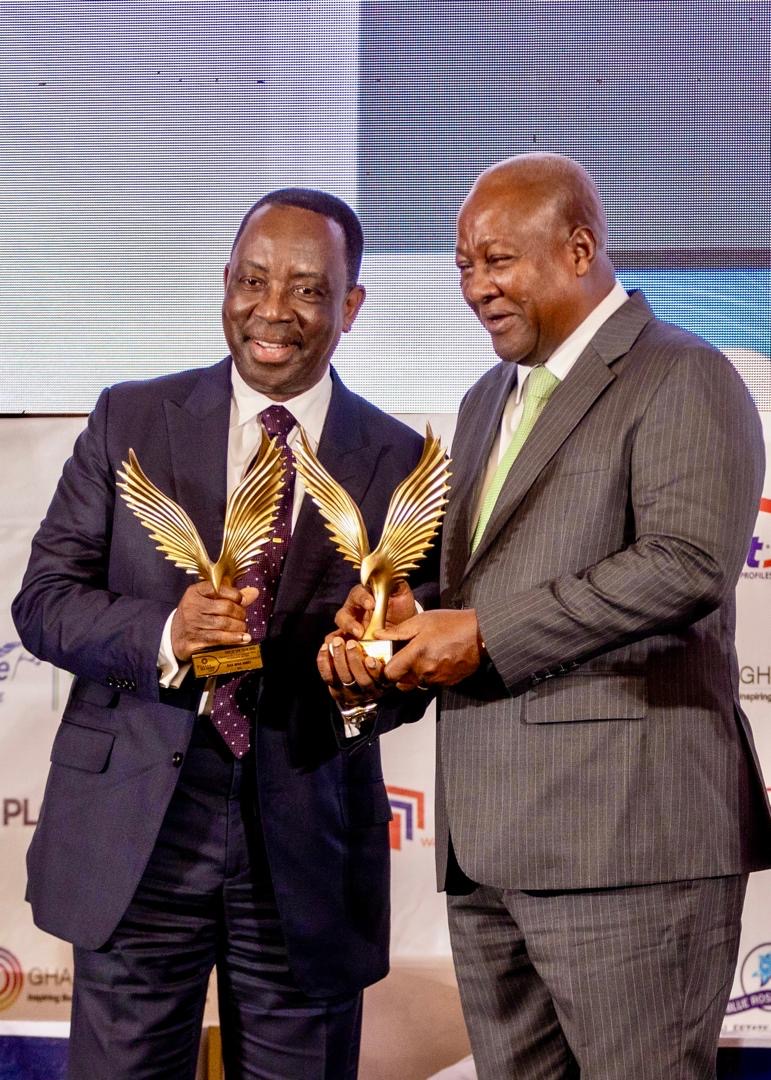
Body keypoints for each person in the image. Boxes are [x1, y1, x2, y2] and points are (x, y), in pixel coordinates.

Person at [323, 154, 771, 1079]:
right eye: (462, 266)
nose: (475, 287)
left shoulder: (683, 373)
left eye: (497, 260)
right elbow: (478, 588)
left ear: (577, 249)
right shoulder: (485, 399)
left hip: (627, 845)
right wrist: (403, 623)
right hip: (488, 849)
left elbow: (685, 565)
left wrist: (484, 633)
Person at [12, 188, 432, 1080]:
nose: (272, 310)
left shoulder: (402, 460)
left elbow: (412, 665)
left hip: (307, 844)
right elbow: (44, 600)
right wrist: (167, 629)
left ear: (351, 305)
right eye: (252, 280)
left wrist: (373, 667)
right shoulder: (131, 420)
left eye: (308, 290)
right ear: (225, 285)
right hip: (137, 831)